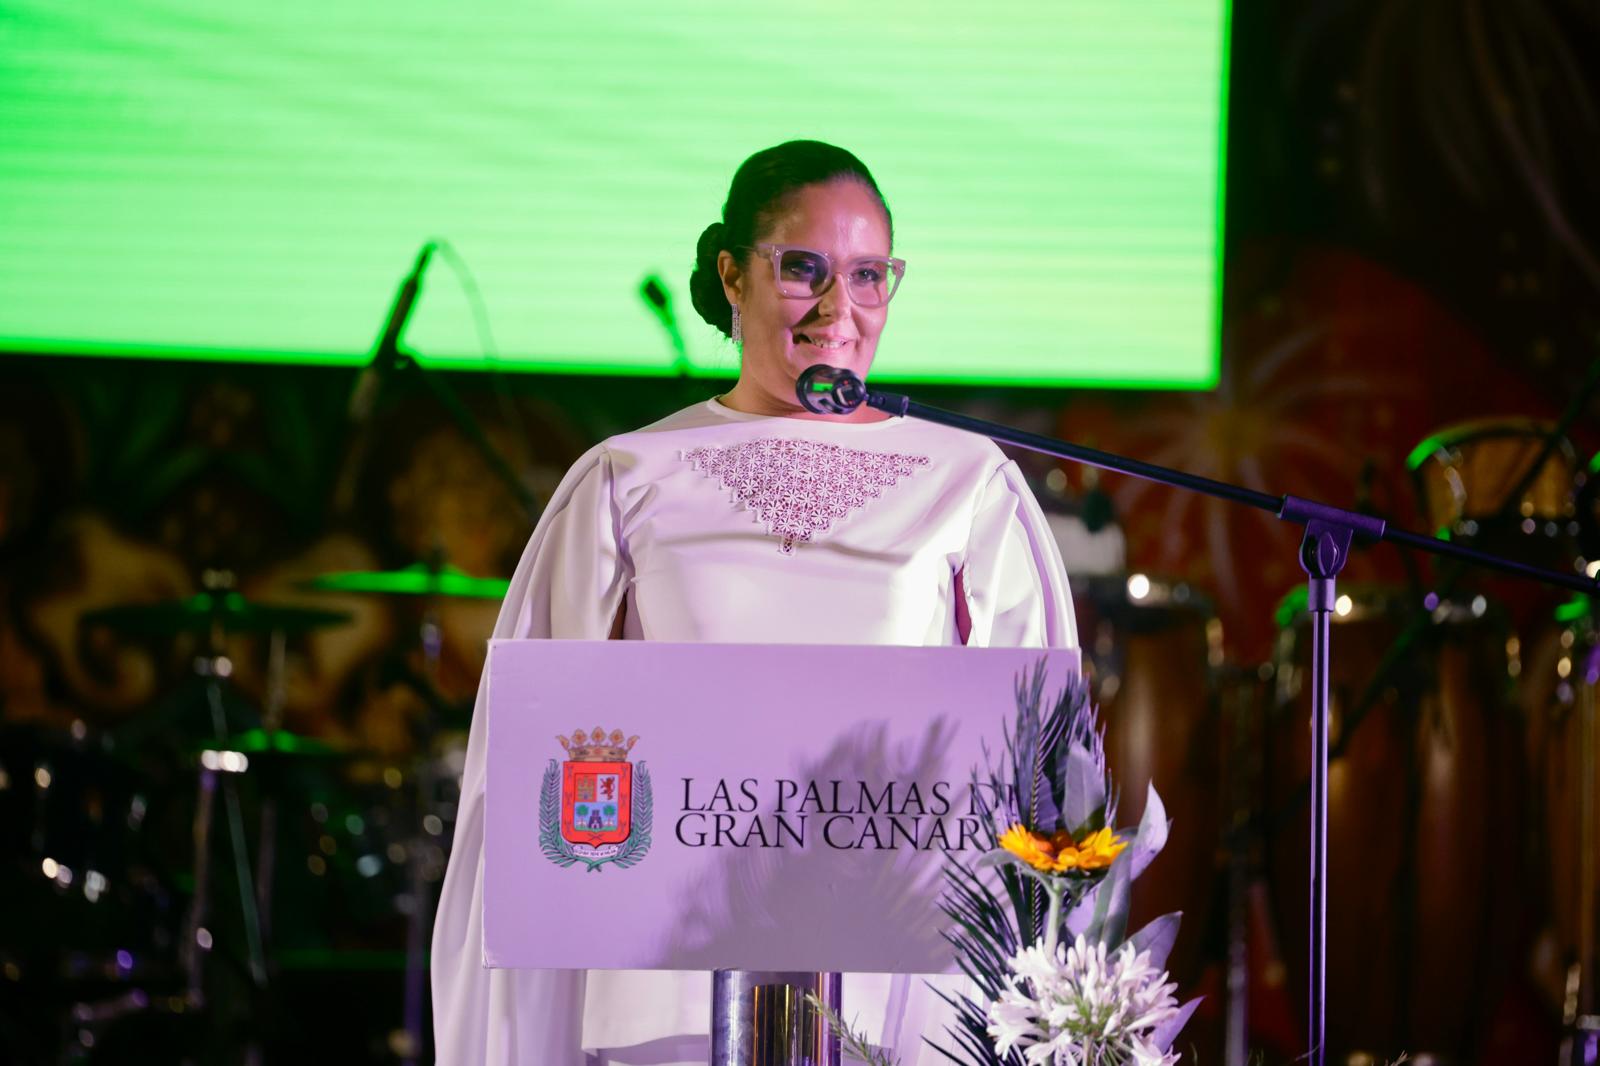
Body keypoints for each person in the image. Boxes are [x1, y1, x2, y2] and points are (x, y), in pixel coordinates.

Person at [431, 140, 1078, 1065]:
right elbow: (532, 775)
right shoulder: (627, 477)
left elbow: (1037, 766)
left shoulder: (968, 481)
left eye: (868, 276)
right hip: (671, 990)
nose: (838, 310)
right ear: (731, 273)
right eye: (803, 269)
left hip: (897, 993)